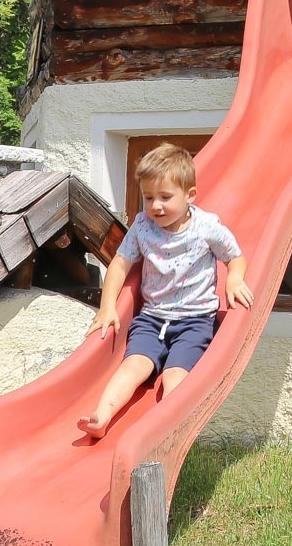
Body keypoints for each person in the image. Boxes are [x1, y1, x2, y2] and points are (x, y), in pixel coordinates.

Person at [76, 142, 250, 438]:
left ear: (190, 196)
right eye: (148, 197)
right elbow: (119, 264)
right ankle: (101, 417)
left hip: (195, 322)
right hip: (152, 319)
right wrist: (107, 307)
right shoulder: (143, 226)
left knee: (174, 374)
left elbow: (236, 256)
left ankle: (164, 426)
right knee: (134, 365)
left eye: (165, 197)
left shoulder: (206, 227)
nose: (156, 205)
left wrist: (234, 278)